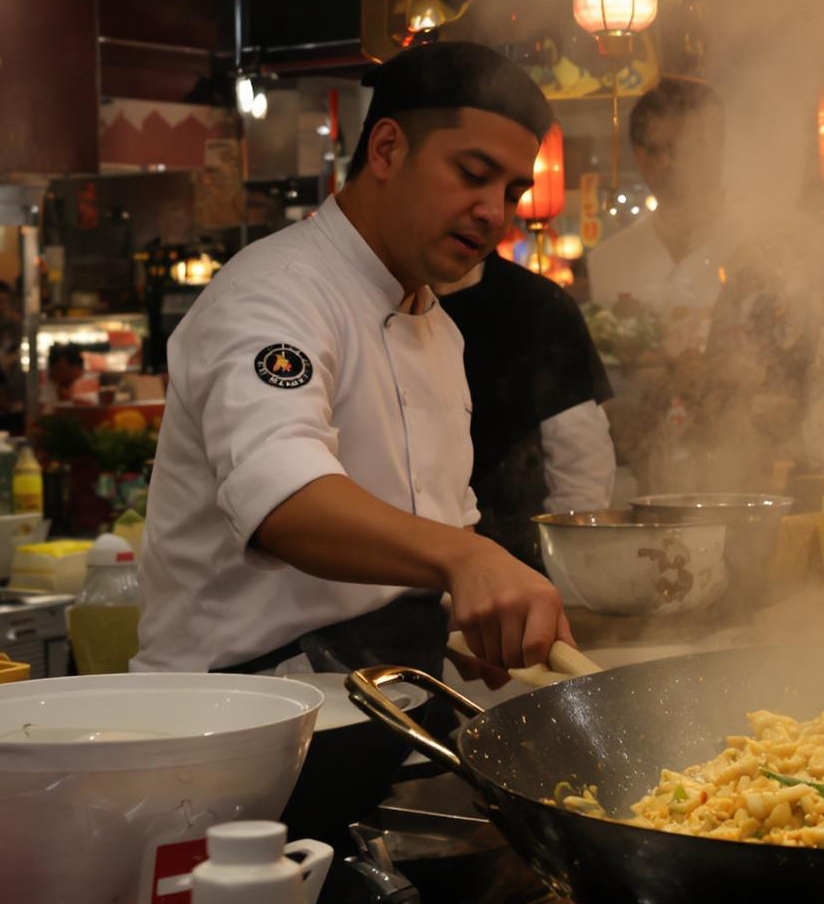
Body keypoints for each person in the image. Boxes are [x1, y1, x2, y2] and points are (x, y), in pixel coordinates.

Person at [133, 40, 570, 690]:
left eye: (511, 190)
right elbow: (284, 502)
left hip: (376, 705)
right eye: (472, 174)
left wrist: (465, 617)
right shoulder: (276, 290)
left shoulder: (437, 325)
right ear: (388, 148)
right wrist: (465, 558)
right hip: (236, 714)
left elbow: (437, 522)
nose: (494, 212)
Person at [439, 249, 618, 567]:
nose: (489, 213)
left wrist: (565, 567)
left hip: (519, 559)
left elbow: (580, 458)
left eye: (507, 198)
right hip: (391, 567)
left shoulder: (536, 303)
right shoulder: (378, 300)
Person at [586, 77, 729, 316]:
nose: (664, 163)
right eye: (653, 150)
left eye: (679, 148)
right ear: (637, 154)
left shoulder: (760, 251)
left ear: (717, 148)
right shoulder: (608, 262)